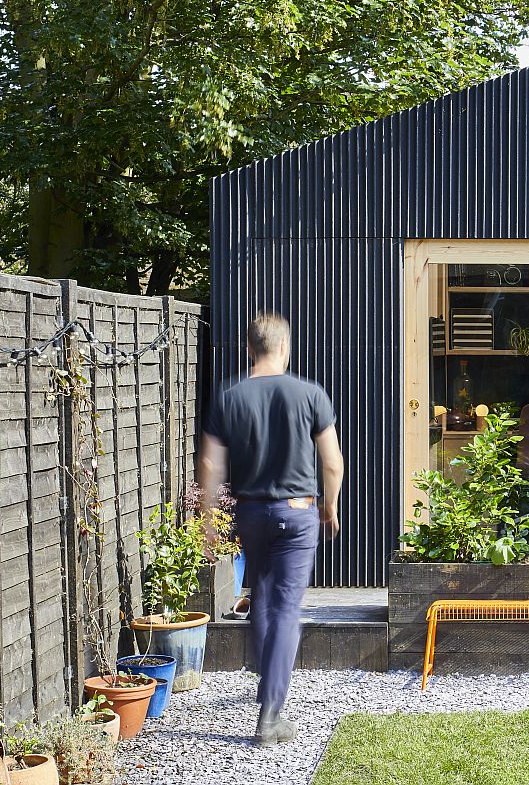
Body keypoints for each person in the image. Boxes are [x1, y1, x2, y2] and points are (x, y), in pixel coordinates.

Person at [197, 312, 344, 746]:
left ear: (249, 349)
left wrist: (207, 519)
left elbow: (209, 463)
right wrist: (330, 506)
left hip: (251, 514)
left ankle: (268, 681)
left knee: (259, 596)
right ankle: (270, 715)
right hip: (298, 513)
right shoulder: (309, 394)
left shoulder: (229, 397)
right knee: (285, 606)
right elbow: (332, 462)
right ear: (284, 348)